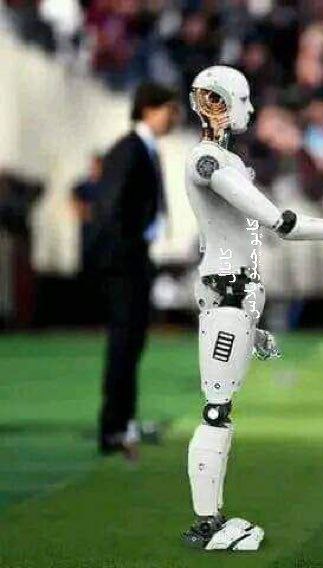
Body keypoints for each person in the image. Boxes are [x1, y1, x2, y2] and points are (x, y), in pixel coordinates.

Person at [181, 65, 323, 551]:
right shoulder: (209, 163)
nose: (250, 109)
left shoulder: (225, 161)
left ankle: (212, 519)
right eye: (242, 100)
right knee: (217, 409)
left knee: (222, 408)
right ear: (217, 102)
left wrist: (252, 322)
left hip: (235, 296)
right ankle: (208, 524)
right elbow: (280, 223)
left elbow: (248, 235)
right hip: (226, 293)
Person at [90, 83, 179, 458]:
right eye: (169, 110)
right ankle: (113, 428)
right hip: (124, 261)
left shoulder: (144, 149)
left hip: (135, 257)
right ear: (148, 109)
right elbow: (109, 205)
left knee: (132, 342)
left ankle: (123, 421)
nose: (174, 118)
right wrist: (122, 250)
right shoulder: (128, 150)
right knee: (124, 343)